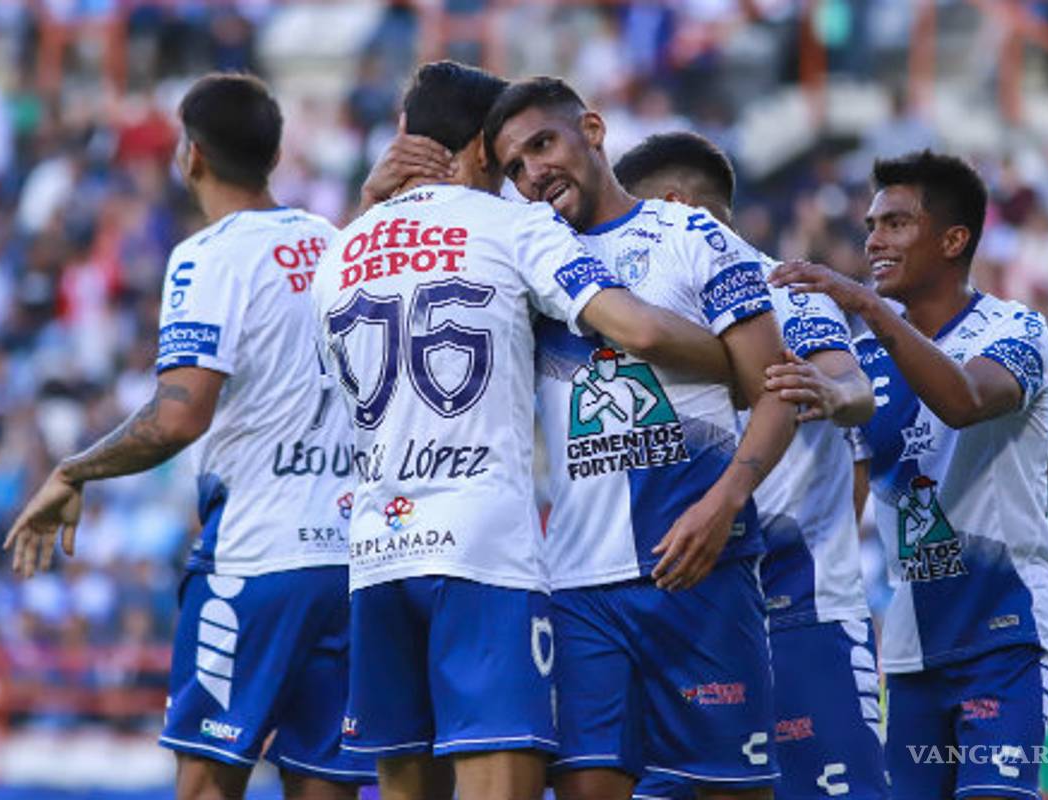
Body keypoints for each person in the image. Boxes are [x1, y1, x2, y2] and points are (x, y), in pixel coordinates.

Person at [313, 61, 735, 800]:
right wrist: (750, 364)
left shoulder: (340, 250)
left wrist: (370, 204)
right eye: (507, 159)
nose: (520, 177)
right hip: (483, 553)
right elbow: (634, 326)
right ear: (481, 148)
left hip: (377, 552)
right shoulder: (512, 225)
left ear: (407, 138)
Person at [4, 74, 376, 798]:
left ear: (192, 156)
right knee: (325, 786)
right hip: (350, 563)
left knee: (206, 780)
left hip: (256, 562)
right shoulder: (336, 243)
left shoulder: (208, 256)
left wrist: (75, 470)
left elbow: (179, 415)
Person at [484, 78, 798, 800]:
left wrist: (724, 504)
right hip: (580, 586)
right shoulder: (527, 264)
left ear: (591, 130)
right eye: (515, 167)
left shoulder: (694, 235)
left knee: (733, 790)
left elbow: (779, 394)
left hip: (703, 571)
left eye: (543, 144)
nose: (534, 173)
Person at [769, 150, 1048, 800]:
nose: (873, 238)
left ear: (954, 239)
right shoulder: (862, 361)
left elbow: (962, 401)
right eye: (872, 224)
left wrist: (867, 308)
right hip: (908, 648)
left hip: (1007, 633)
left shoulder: (1016, 329)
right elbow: (846, 487)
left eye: (897, 223)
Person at [614, 131, 888, 800]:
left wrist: (834, 395)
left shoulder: (786, 293)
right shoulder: (635, 319)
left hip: (802, 621)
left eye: (632, 215)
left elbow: (852, 389)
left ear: (680, 209)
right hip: (689, 621)